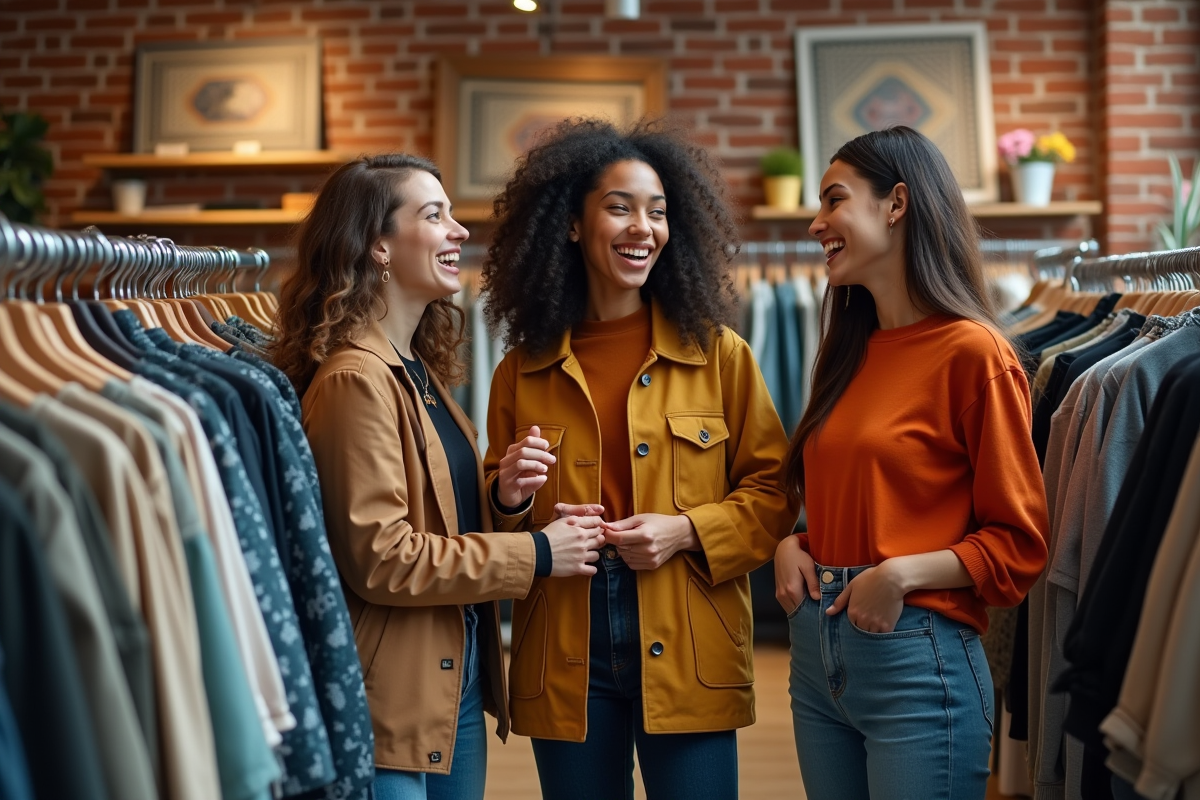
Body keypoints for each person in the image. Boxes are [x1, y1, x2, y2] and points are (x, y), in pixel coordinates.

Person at [481, 119, 801, 800]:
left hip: (689, 626)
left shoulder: (720, 356)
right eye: (620, 207)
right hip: (565, 637)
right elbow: (494, 521)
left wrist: (684, 531)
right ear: (572, 225)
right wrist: (508, 495)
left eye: (657, 211)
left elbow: (775, 494)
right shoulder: (520, 371)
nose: (643, 228)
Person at [274, 153, 607, 800]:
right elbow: (382, 558)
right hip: (390, 697)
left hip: (452, 676)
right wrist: (539, 553)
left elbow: (436, 512)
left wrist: (503, 496)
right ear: (378, 246)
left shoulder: (413, 369)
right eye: (434, 215)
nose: (459, 230)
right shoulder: (355, 379)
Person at [773, 126, 1050, 799]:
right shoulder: (848, 351)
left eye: (834, 200)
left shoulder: (975, 355)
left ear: (896, 203)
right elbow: (862, 499)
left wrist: (901, 574)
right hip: (817, 656)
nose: (815, 224)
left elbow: (1019, 545)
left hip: (917, 657)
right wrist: (794, 545)